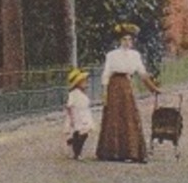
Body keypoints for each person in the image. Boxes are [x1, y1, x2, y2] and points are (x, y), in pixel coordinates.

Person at [95, 23, 160, 163]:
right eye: (124, 39)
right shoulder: (112, 55)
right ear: (120, 41)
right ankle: (111, 152)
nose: (127, 42)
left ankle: (130, 152)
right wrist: (105, 92)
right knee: (113, 117)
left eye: (130, 40)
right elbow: (106, 74)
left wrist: (153, 88)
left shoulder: (135, 55)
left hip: (127, 87)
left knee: (129, 117)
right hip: (114, 87)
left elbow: (142, 73)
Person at [63, 68, 93, 160]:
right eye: (83, 82)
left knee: (83, 132)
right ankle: (77, 152)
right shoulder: (74, 94)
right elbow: (69, 106)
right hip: (77, 116)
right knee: (82, 133)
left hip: (84, 115)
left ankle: (75, 146)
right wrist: (71, 118)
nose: (86, 83)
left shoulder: (81, 93)